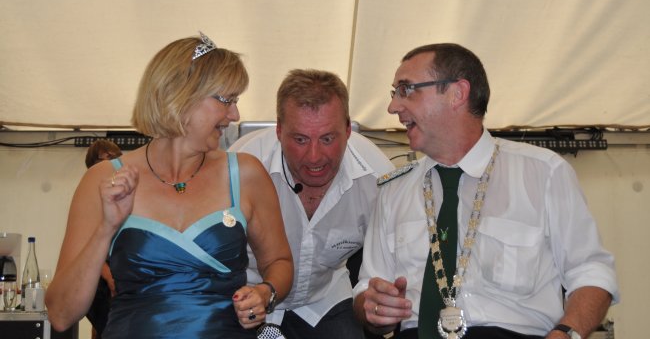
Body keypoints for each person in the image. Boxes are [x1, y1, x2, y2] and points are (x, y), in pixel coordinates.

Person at [353, 43, 619, 339]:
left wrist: (565, 334)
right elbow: (366, 288)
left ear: (457, 93)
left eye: (406, 90)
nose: (393, 107)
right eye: (395, 93)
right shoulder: (393, 190)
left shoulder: (543, 174)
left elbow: (591, 273)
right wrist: (374, 307)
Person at [46, 32, 293, 338]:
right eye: (226, 100)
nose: (234, 115)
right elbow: (61, 315)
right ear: (181, 96)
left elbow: (280, 262)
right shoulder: (102, 181)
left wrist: (265, 292)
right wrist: (106, 230)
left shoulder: (246, 175)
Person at [229, 69, 395, 339]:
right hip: (244, 296)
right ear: (279, 130)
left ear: (348, 129)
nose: (314, 157)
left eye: (327, 139)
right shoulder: (237, 169)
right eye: (300, 139)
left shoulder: (378, 179)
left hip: (324, 299)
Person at [84, 139, 122, 339]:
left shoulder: (125, 192)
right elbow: (88, 245)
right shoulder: (90, 197)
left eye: (114, 158)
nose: (110, 163)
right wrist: (109, 277)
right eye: (104, 159)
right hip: (102, 278)